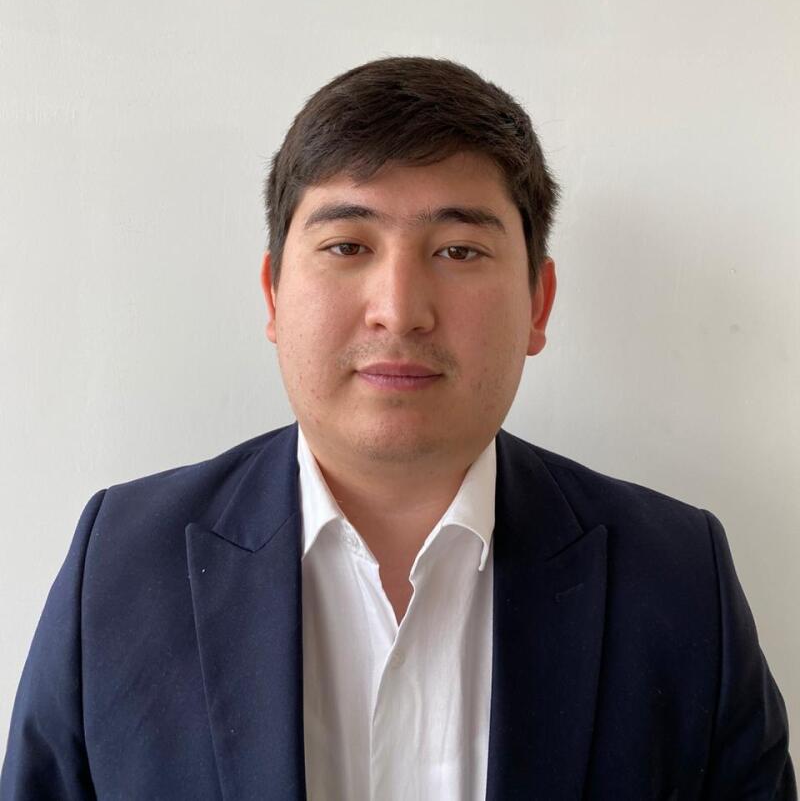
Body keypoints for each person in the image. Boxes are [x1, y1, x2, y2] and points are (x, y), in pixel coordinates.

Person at [1, 57, 794, 800]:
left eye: (458, 248)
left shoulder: (677, 579)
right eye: (348, 244)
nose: (400, 308)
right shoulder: (123, 564)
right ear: (275, 294)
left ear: (538, 303)